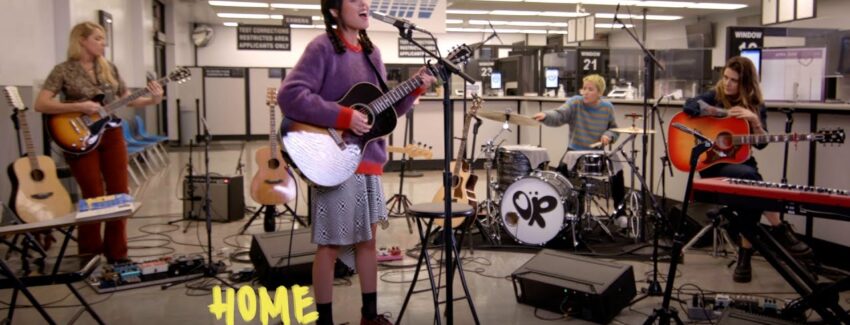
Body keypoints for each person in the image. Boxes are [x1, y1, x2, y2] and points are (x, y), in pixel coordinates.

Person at [277, 0, 436, 324]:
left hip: (367, 160)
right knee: (331, 245)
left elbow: (381, 113)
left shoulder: (372, 53)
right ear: (335, 10)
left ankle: (369, 315)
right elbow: (290, 95)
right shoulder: (322, 47)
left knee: (369, 241)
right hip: (331, 159)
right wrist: (343, 116)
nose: (365, 3)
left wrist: (415, 88)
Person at [34, 22, 164, 264]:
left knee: (120, 194)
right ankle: (89, 254)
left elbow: (127, 100)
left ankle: (118, 253)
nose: (104, 44)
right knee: (93, 194)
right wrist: (79, 106)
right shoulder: (63, 70)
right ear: (81, 40)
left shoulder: (109, 69)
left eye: (104, 39)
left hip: (111, 133)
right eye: (98, 38)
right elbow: (41, 104)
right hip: (79, 136)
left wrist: (154, 99)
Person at [683, 56, 812, 283]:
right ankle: (778, 228)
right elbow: (690, 106)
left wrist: (755, 121)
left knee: (751, 193)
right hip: (714, 164)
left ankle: (745, 255)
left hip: (742, 164)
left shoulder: (755, 105)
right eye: (725, 77)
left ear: (746, 83)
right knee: (754, 183)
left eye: (734, 80)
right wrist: (724, 114)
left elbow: (761, 143)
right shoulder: (715, 95)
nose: (727, 83)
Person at [533, 74, 627, 220]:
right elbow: (559, 115)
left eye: (590, 89)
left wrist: (609, 135)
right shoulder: (575, 103)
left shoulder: (607, 108)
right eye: (584, 88)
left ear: (600, 93)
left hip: (597, 152)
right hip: (574, 151)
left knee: (617, 169)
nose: (585, 92)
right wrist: (545, 115)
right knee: (559, 181)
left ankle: (620, 213)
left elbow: (614, 129)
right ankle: (561, 214)